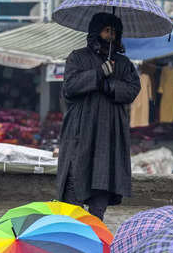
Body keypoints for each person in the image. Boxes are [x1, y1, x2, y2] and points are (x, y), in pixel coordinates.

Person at [57, 12, 141, 220]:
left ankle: (96, 226)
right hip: (81, 127)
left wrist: (110, 85)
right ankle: (71, 227)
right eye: (106, 30)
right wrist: (98, 74)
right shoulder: (77, 57)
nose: (110, 36)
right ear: (96, 32)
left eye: (114, 32)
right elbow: (70, 87)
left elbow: (132, 90)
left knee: (103, 177)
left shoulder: (123, 64)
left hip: (109, 130)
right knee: (75, 174)